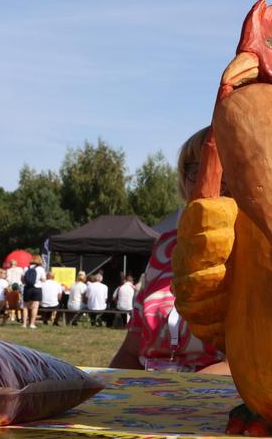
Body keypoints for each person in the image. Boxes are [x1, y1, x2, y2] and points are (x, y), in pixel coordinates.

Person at [109, 127, 228, 374]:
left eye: (225, 167)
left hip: (215, 398)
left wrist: (176, 392)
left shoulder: (257, 251)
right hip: (151, 393)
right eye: (197, 169)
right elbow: (131, 351)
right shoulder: (166, 248)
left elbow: (247, 365)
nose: (212, 178)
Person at [22, 255, 46, 329]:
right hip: (37, 289)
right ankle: (32, 324)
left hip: (27, 288)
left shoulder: (26, 268)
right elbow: (44, 279)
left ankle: (24, 324)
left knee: (25, 307)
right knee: (35, 307)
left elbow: (22, 279)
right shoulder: (41, 269)